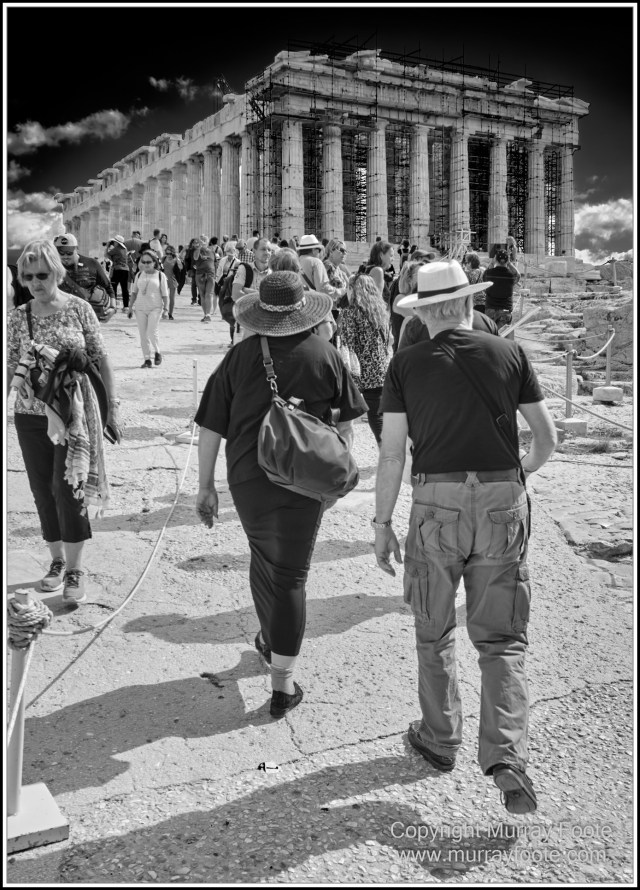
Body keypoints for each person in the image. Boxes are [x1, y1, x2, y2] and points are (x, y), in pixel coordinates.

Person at [373, 259, 557, 815]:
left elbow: (390, 453)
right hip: (503, 497)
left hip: (437, 502)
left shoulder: (404, 365)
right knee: (502, 639)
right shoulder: (509, 353)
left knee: (434, 627)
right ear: (468, 303)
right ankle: (505, 756)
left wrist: (382, 524)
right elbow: (546, 438)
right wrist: (515, 475)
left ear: (425, 312)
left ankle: (439, 736)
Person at [195, 271, 367, 718]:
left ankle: (271, 640)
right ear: (302, 310)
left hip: (248, 477)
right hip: (304, 479)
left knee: (261, 556)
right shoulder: (324, 354)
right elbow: (347, 423)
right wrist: (335, 475)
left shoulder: (239, 356)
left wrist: (205, 486)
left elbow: (211, 424)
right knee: (290, 574)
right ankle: (282, 685)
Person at [7, 240, 122, 604]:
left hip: (72, 415)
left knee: (67, 486)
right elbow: (11, 366)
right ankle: (56, 562)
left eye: (42, 274)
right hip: (30, 414)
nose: (36, 282)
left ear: (57, 270)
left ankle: (75, 569)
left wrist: (111, 410)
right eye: (28, 277)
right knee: (42, 490)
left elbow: (101, 361)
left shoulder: (79, 308)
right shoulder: (17, 317)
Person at [340, 271, 392, 446]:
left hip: (360, 368)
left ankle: (385, 451)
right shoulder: (379, 311)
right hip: (380, 366)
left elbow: (347, 344)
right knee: (379, 411)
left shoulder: (350, 313)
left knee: (373, 416)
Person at [54, 234, 116, 321]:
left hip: (86, 318)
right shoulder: (51, 267)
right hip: (59, 318)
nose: (65, 256)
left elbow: (108, 287)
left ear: (76, 249)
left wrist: (113, 308)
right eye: (61, 253)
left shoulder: (92, 264)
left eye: (69, 253)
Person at [128, 250, 168, 367]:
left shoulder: (160, 275)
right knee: (143, 335)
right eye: (143, 262)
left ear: (155, 262)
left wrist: (166, 310)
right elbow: (134, 292)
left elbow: (165, 295)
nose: (146, 264)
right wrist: (130, 307)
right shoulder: (139, 275)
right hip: (140, 308)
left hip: (155, 308)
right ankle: (147, 359)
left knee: (151, 332)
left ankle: (157, 352)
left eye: (149, 262)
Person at [297, 234, 347, 303]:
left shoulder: (297, 261)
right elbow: (322, 288)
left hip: (301, 302)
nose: (320, 253)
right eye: (319, 250)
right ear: (314, 250)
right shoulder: (316, 262)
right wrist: (340, 292)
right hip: (314, 304)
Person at [483, 248, 520, 328]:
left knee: (491, 335)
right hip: (505, 309)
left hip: (490, 309)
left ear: (495, 259)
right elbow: (518, 276)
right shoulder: (511, 275)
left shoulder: (488, 273)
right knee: (504, 335)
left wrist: (492, 263)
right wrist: (509, 263)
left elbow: (484, 277)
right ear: (507, 260)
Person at [215, 241, 239, 348]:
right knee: (222, 303)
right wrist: (218, 281)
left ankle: (233, 340)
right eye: (228, 252)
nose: (230, 254)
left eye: (231, 252)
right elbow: (219, 271)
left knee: (233, 316)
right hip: (223, 285)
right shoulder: (223, 260)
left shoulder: (238, 262)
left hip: (232, 287)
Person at [362, 241, 395, 308]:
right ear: (381, 255)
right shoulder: (378, 271)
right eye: (391, 256)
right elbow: (376, 304)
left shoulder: (372, 269)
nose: (393, 259)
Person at [193, 234, 218, 323]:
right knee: (202, 295)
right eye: (201, 240)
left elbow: (215, 263)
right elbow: (195, 257)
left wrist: (216, 275)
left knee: (209, 294)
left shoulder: (212, 251)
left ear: (208, 242)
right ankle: (205, 314)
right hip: (200, 274)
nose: (203, 241)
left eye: (204, 240)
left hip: (210, 274)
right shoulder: (197, 250)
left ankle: (208, 314)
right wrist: (199, 247)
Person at [107, 234, 131, 312]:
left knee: (113, 288)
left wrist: (108, 246)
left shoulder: (116, 249)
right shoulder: (125, 249)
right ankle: (126, 306)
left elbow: (108, 254)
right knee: (125, 289)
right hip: (125, 269)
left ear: (117, 243)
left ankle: (114, 306)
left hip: (117, 269)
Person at [161, 245, 182, 319]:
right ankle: (164, 311)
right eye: (167, 253)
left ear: (173, 253)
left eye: (170, 254)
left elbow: (181, 268)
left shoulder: (176, 259)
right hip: (163, 280)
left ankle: (170, 314)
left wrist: (179, 261)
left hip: (172, 280)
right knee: (163, 296)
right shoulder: (163, 258)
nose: (169, 255)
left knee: (172, 298)